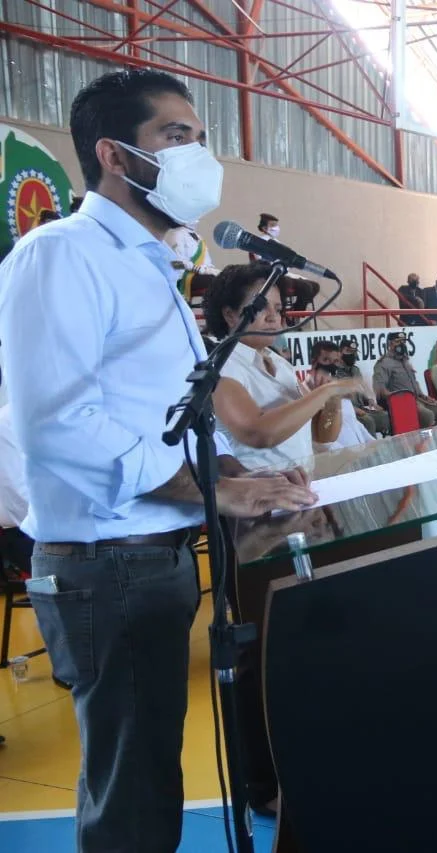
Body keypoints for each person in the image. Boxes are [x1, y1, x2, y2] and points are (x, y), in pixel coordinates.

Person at [0, 68, 316, 852]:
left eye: (200, 138)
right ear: (113, 154)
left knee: (149, 771)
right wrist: (205, 486)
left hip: (157, 552)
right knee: (134, 791)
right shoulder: (62, 256)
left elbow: (162, 417)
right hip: (109, 562)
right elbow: (60, 423)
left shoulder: (151, 266)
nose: (197, 154)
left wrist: (234, 474)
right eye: (176, 136)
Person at [207, 264, 359, 469]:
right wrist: (324, 392)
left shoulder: (281, 364)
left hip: (300, 489)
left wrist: (332, 403)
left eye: (278, 309)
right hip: (259, 493)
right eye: (261, 306)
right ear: (230, 314)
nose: (273, 317)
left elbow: (321, 437)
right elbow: (259, 432)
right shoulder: (223, 365)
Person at [372, 332, 437, 428]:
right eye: (398, 342)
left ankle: (435, 438)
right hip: (403, 402)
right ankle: (421, 440)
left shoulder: (405, 361)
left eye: (403, 341)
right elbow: (379, 388)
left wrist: (423, 396)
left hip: (418, 399)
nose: (401, 344)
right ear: (390, 344)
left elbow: (414, 383)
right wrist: (395, 398)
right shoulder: (384, 363)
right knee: (427, 416)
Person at [311, 342, 375, 451]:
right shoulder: (308, 394)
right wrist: (350, 455)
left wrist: (374, 446)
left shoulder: (340, 393)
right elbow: (322, 442)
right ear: (314, 361)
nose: (331, 365)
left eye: (335, 361)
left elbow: (354, 424)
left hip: (357, 456)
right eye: (326, 360)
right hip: (338, 459)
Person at [337, 338, 390, 435]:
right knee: (368, 421)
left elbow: (359, 391)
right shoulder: (334, 373)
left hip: (362, 408)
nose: (351, 354)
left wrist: (370, 401)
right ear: (340, 352)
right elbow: (336, 399)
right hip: (348, 411)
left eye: (353, 352)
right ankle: (371, 449)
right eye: (348, 351)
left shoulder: (355, 370)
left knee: (385, 416)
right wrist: (354, 409)